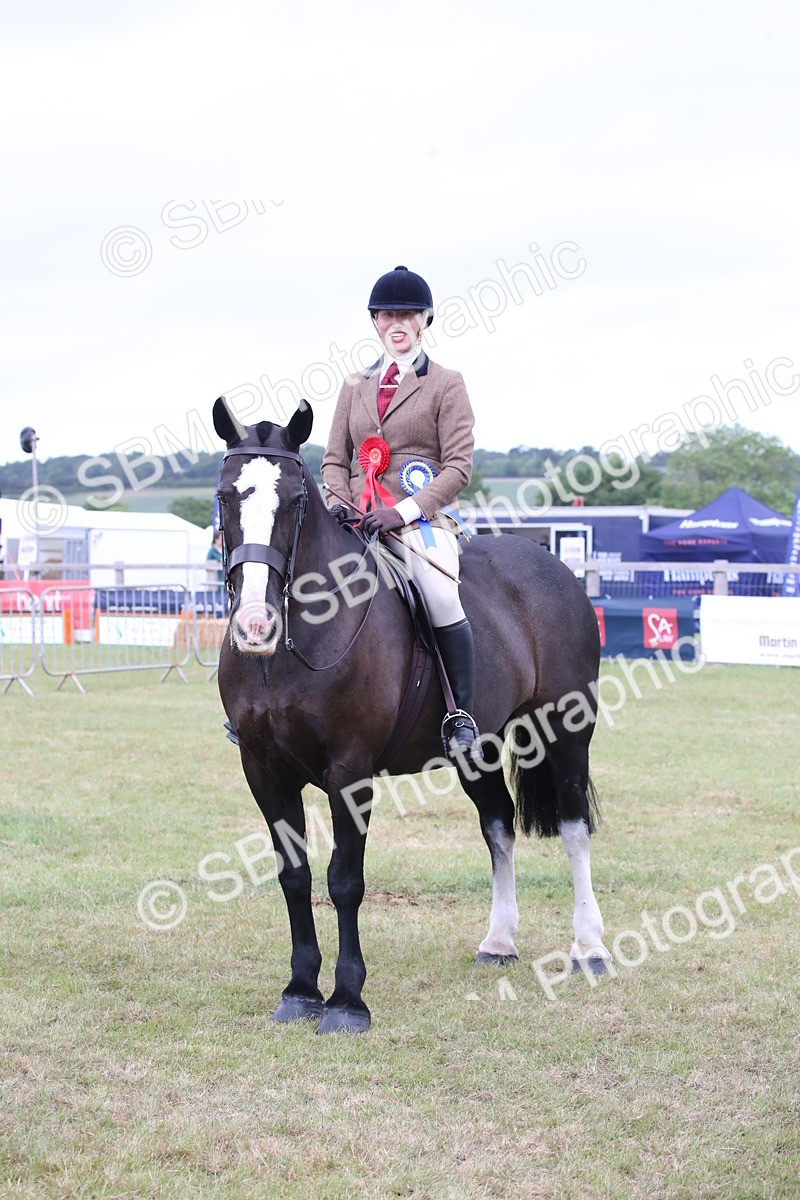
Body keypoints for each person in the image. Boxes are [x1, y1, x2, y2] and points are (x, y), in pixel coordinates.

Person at [321, 265, 481, 761]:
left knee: (439, 590)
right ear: (375, 321)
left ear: (423, 320)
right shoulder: (353, 386)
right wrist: (341, 504)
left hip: (420, 522)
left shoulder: (446, 384)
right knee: (300, 580)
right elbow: (332, 460)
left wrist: (405, 511)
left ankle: (461, 714)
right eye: (388, 314)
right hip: (356, 519)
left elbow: (458, 467)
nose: (398, 323)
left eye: (408, 315)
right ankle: (267, 699)